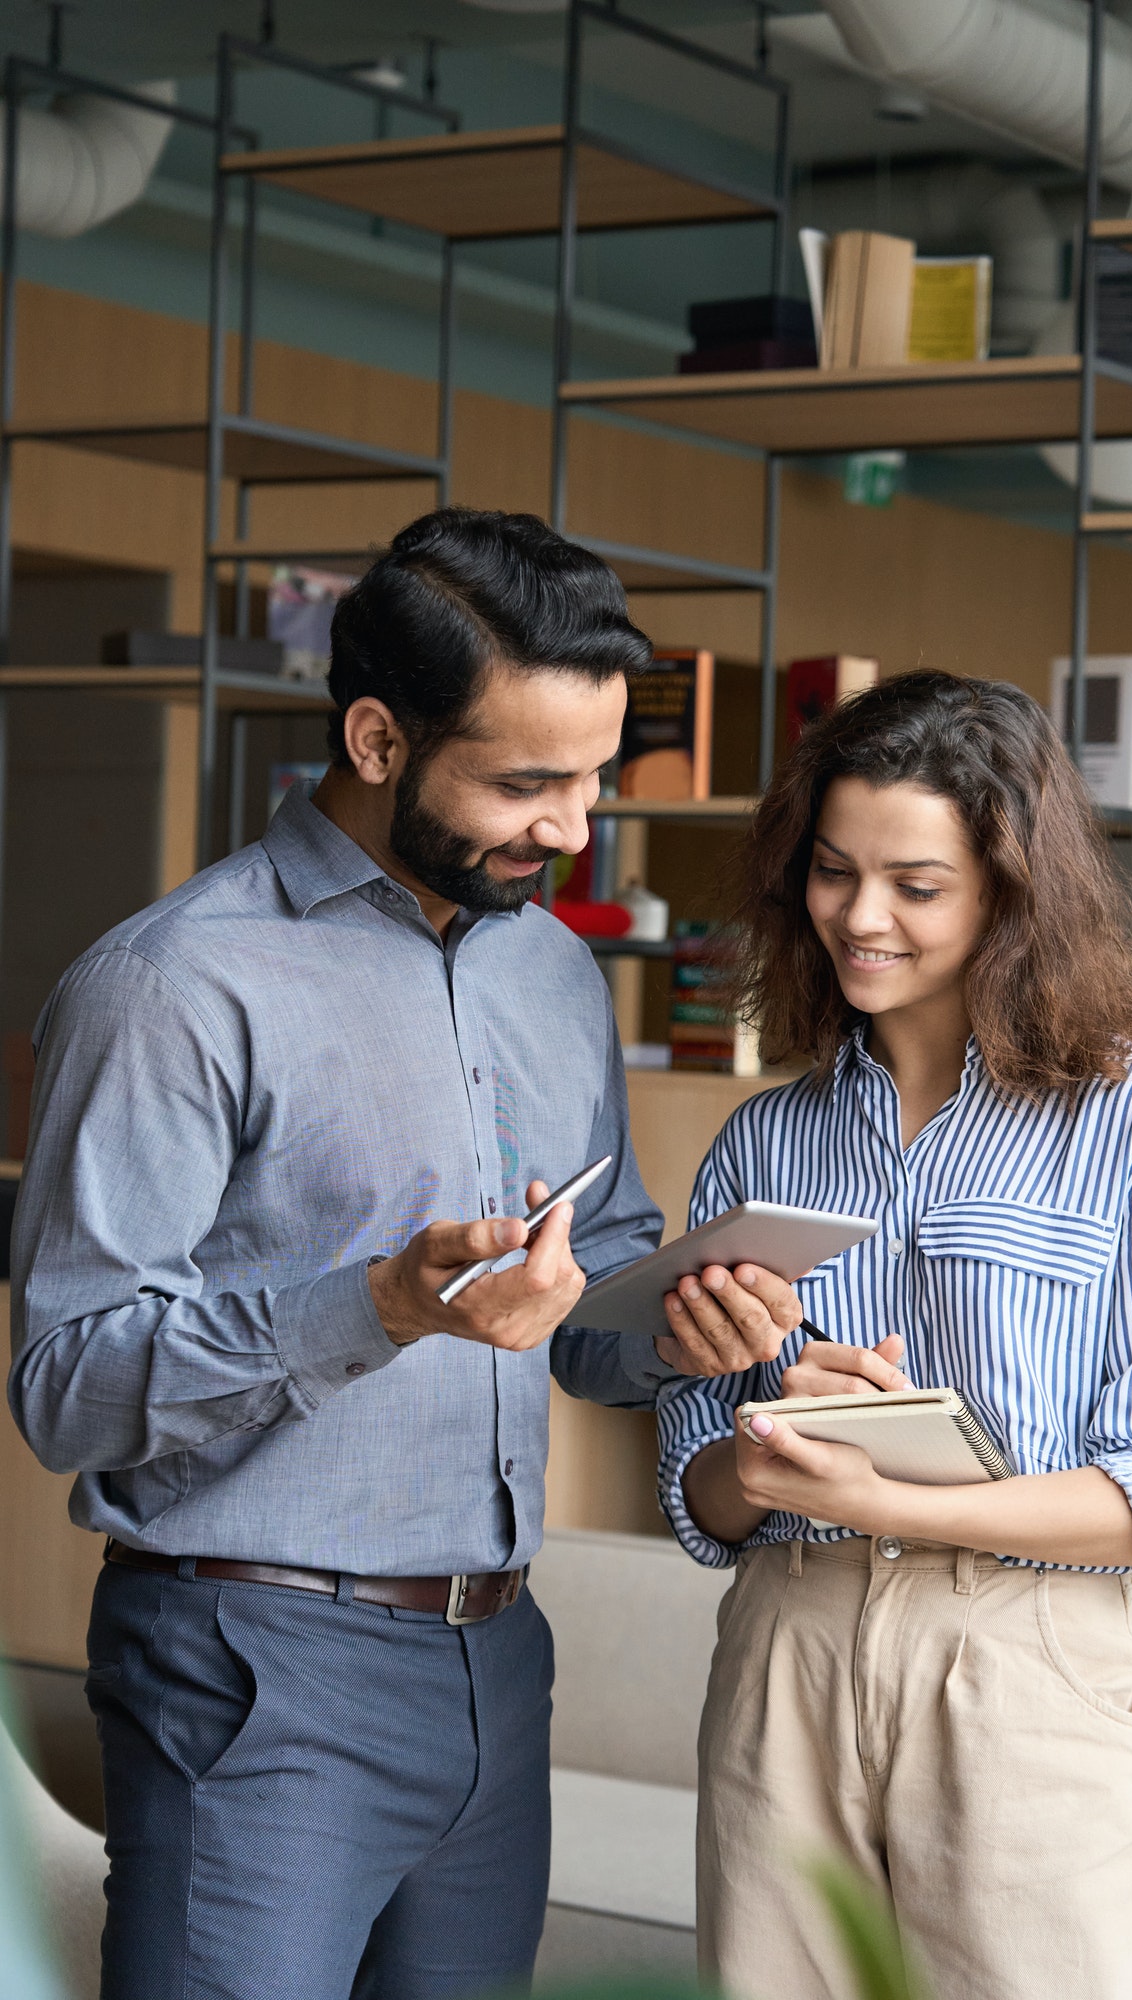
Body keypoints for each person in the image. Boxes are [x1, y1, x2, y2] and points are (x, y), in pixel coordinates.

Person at [7, 507, 802, 2000]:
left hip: (496, 1662)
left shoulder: (553, 972)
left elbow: (588, 1299)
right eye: (525, 782)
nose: (571, 828)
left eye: (590, 779)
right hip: (250, 1664)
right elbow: (64, 1385)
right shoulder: (173, 985)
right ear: (376, 738)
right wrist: (374, 1304)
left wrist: (686, 1319)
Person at [658, 671, 1132, 2000]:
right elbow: (696, 1483)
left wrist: (892, 1496)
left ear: (1008, 890)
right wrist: (754, 1459)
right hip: (785, 1652)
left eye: (914, 886)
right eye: (831, 872)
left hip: (1021, 1659)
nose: (859, 918)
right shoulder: (766, 1137)